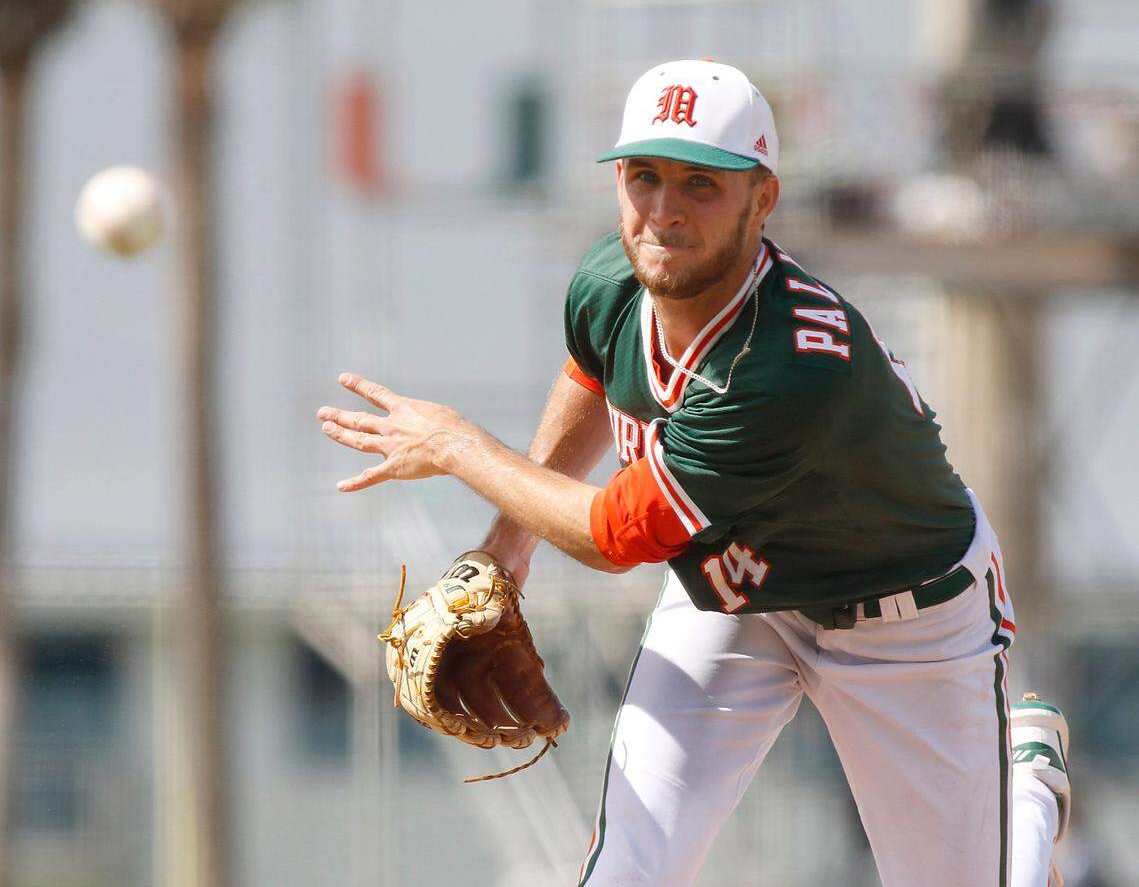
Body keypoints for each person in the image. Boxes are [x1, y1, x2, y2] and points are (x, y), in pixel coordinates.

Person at [316, 59, 1071, 887]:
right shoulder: (613, 279)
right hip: (737, 590)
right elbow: (593, 376)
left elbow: (613, 537)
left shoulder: (783, 366)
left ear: (762, 198)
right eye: (643, 177)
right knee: (628, 873)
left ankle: (1025, 785)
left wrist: (459, 445)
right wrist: (505, 551)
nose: (663, 212)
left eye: (701, 184)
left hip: (902, 619)